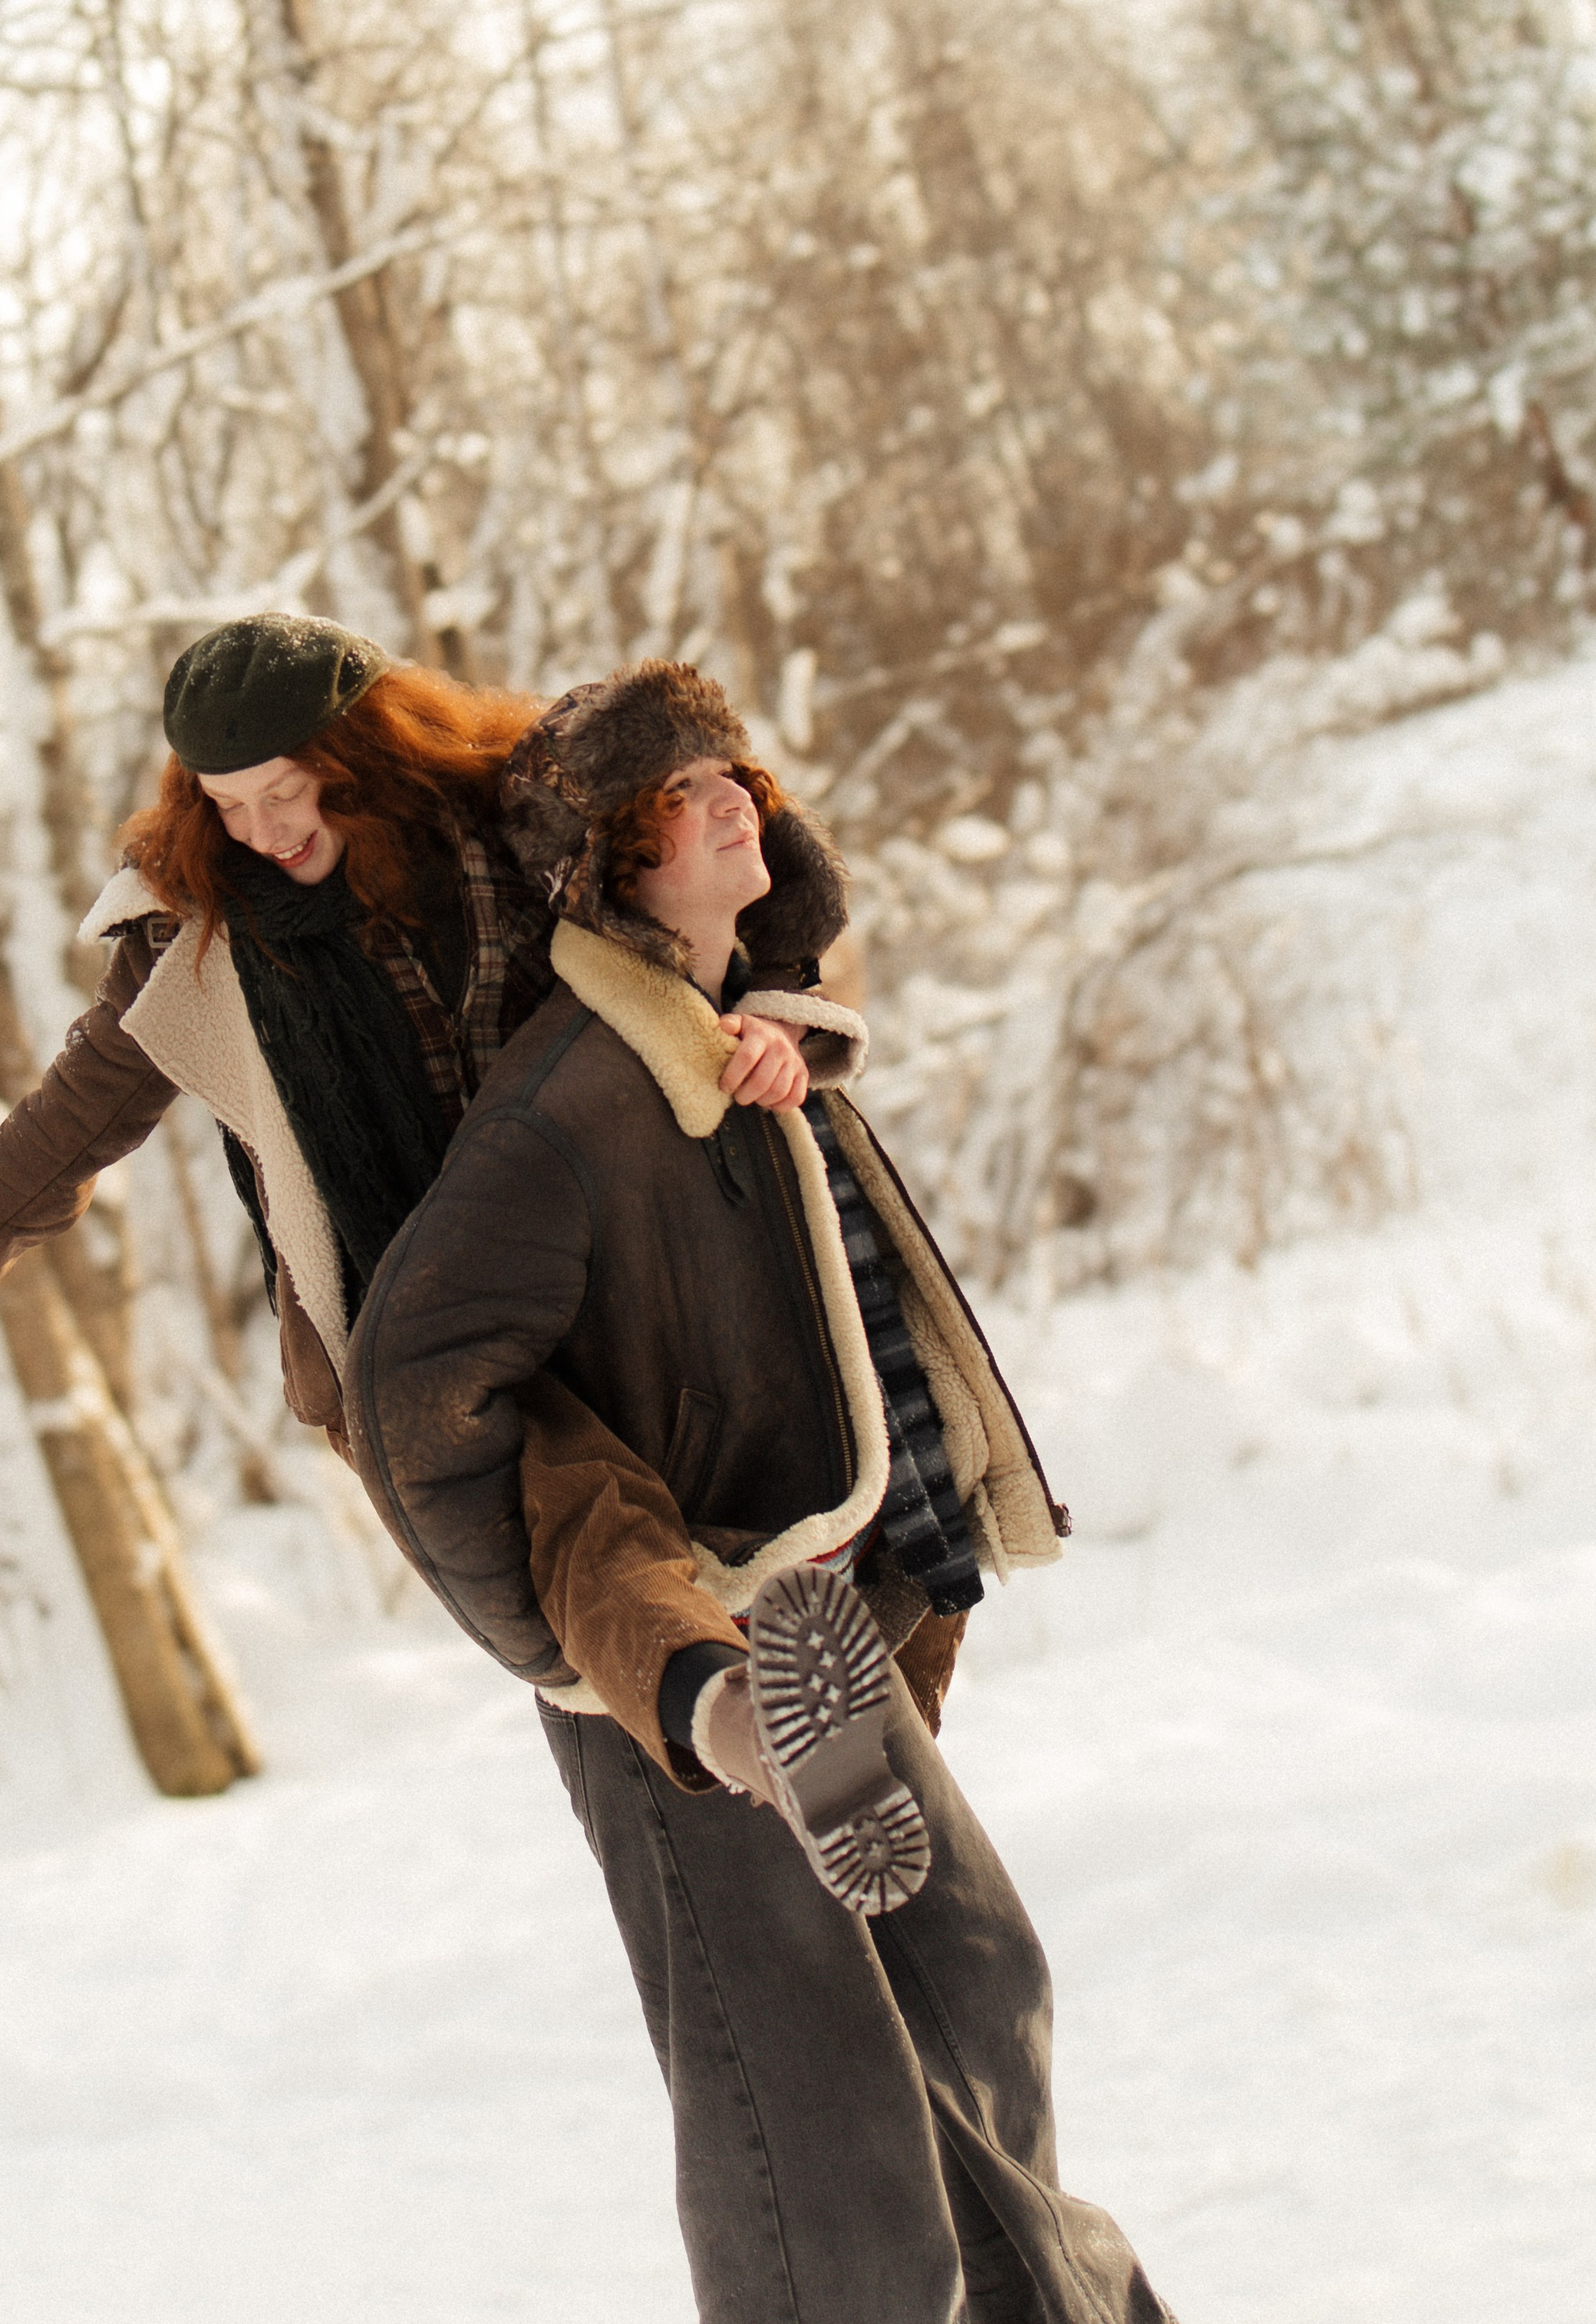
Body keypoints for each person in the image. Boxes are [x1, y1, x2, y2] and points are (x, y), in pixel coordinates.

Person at [345, 662, 1176, 2324]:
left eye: (730, 773)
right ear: (605, 867)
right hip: (685, 1685)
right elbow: (406, 1382)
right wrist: (578, 1653)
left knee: (970, 1984)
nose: (728, 799)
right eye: (673, 797)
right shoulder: (564, 1108)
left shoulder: (741, 1049)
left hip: (807, 1634)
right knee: (824, 2152)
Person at [0, 617, 846, 1481]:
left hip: (624, 1253)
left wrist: (781, 1007)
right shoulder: (198, 939)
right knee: (575, 1569)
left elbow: (745, 837)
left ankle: (766, 1704)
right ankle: (709, 1711)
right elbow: (64, 1130)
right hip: (421, 1330)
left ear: (364, 755)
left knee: (732, 1518)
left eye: (285, 791)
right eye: (228, 804)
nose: (260, 830)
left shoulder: (514, 821)